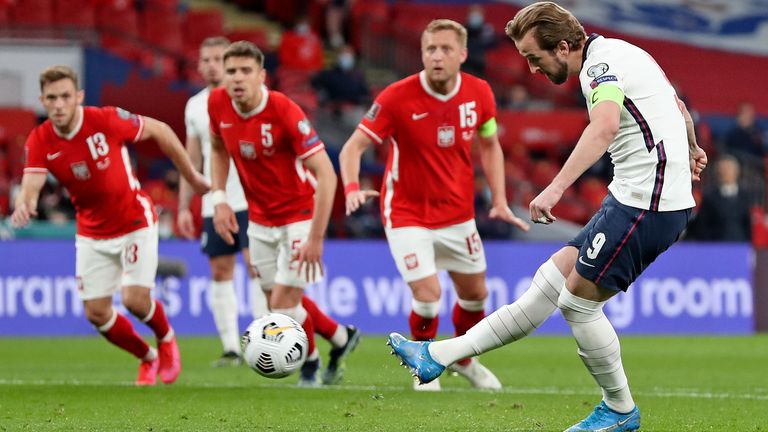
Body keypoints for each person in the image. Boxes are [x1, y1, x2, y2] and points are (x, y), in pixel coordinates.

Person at [386, 2, 707, 430]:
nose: (533, 70)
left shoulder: (600, 68)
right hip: (636, 196)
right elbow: (679, 106)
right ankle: (437, 356)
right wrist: (691, 146)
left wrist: (555, 187)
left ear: (561, 46)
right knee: (549, 283)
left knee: (577, 303)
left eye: (535, 59)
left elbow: (605, 126)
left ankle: (619, 409)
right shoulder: (623, 51)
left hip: (647, 203)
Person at [339, 19, 530, 391]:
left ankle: (462, 358)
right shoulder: (396, 97)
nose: (437, 56)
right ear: (422, 53)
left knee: (476, 295)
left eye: (445, 49)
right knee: (428, 294)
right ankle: (424, 364)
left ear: (462, 54)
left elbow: (490, 143)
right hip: (407, 213)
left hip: (458, 214)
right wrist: (350, 188)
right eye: (430, 49)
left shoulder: (480, 93)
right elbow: (353, 147)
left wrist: (501, 199)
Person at [10, 65, 210, 386]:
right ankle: (148, 357)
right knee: (97, 313)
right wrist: (25, 205)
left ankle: (167, 339)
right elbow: (31, 186)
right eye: (52, 98)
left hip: (134, 219)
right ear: (42, 101)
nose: (59, 104)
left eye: (65, 96)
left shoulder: (105, 119)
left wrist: (192, 175)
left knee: (134, 300)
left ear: (79, 97)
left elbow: (160, 130)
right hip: (92, 231)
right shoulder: (40, 138)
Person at [208, 41, 360, 387]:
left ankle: (310, 366)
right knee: (275, 299)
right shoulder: (217, 103)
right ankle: (339, 338)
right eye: (231, 71)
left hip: (298, 215)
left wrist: (315, 237)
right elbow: (217, 147)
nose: (237, 78)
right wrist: (219, 197)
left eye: (246, 71)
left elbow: (326, 174)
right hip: (259, 219)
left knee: (281, 304)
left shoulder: (284, 111)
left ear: (261, 76)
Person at [178, 36, 270, 367]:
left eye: (218, 58)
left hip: (251, 197)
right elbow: (192, 158)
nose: (212, 65)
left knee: (255, 266)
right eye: (205, 59)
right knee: (220, 270)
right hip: (214, 200)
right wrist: (184, 204)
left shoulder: (250, 99)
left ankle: (262, 342)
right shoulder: (195, 105)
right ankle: (231, 347)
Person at [687, 155, 752, 242]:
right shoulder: (709, 198)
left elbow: (748, 224)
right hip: (716, 246)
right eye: (721, 169)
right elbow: (702, 225)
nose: (724, 172)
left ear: (736, 172)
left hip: (740, 245)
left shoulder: (745, 197)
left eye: (728, 169)